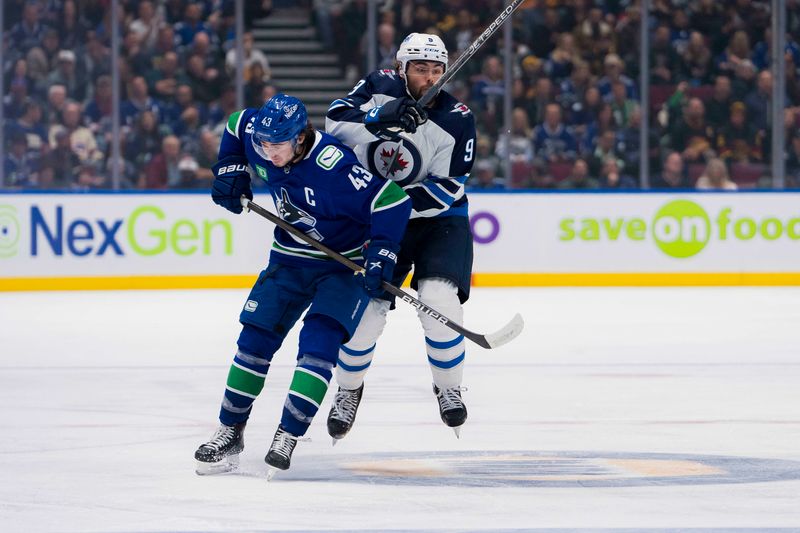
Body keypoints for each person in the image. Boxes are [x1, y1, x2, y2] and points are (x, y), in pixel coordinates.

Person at [194, 94, 411, 476]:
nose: (267, 153)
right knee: (254, 341)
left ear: (299, 138)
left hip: (344, 267)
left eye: (276, 146)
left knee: (319, 346)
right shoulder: (257, 132)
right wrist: (230, 168)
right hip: (290, 257)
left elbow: (392, 201)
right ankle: (230, 430)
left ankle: (288, 434)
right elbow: (233, 124)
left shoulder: (335, 165)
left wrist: (383, 252)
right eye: (262, 144)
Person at [325, 32, 476, 440]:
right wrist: (379, 118)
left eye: (436, 70)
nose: (430, 78)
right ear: (402, 68)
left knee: (438, 300)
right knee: (366, 312)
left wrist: (387, 201)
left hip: (437, 222)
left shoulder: (457, 117)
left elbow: (448, 189)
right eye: (420, 69)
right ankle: (348, 389)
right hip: (377, 223)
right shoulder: (377, 87)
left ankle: (449, 388)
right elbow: (334, 123)